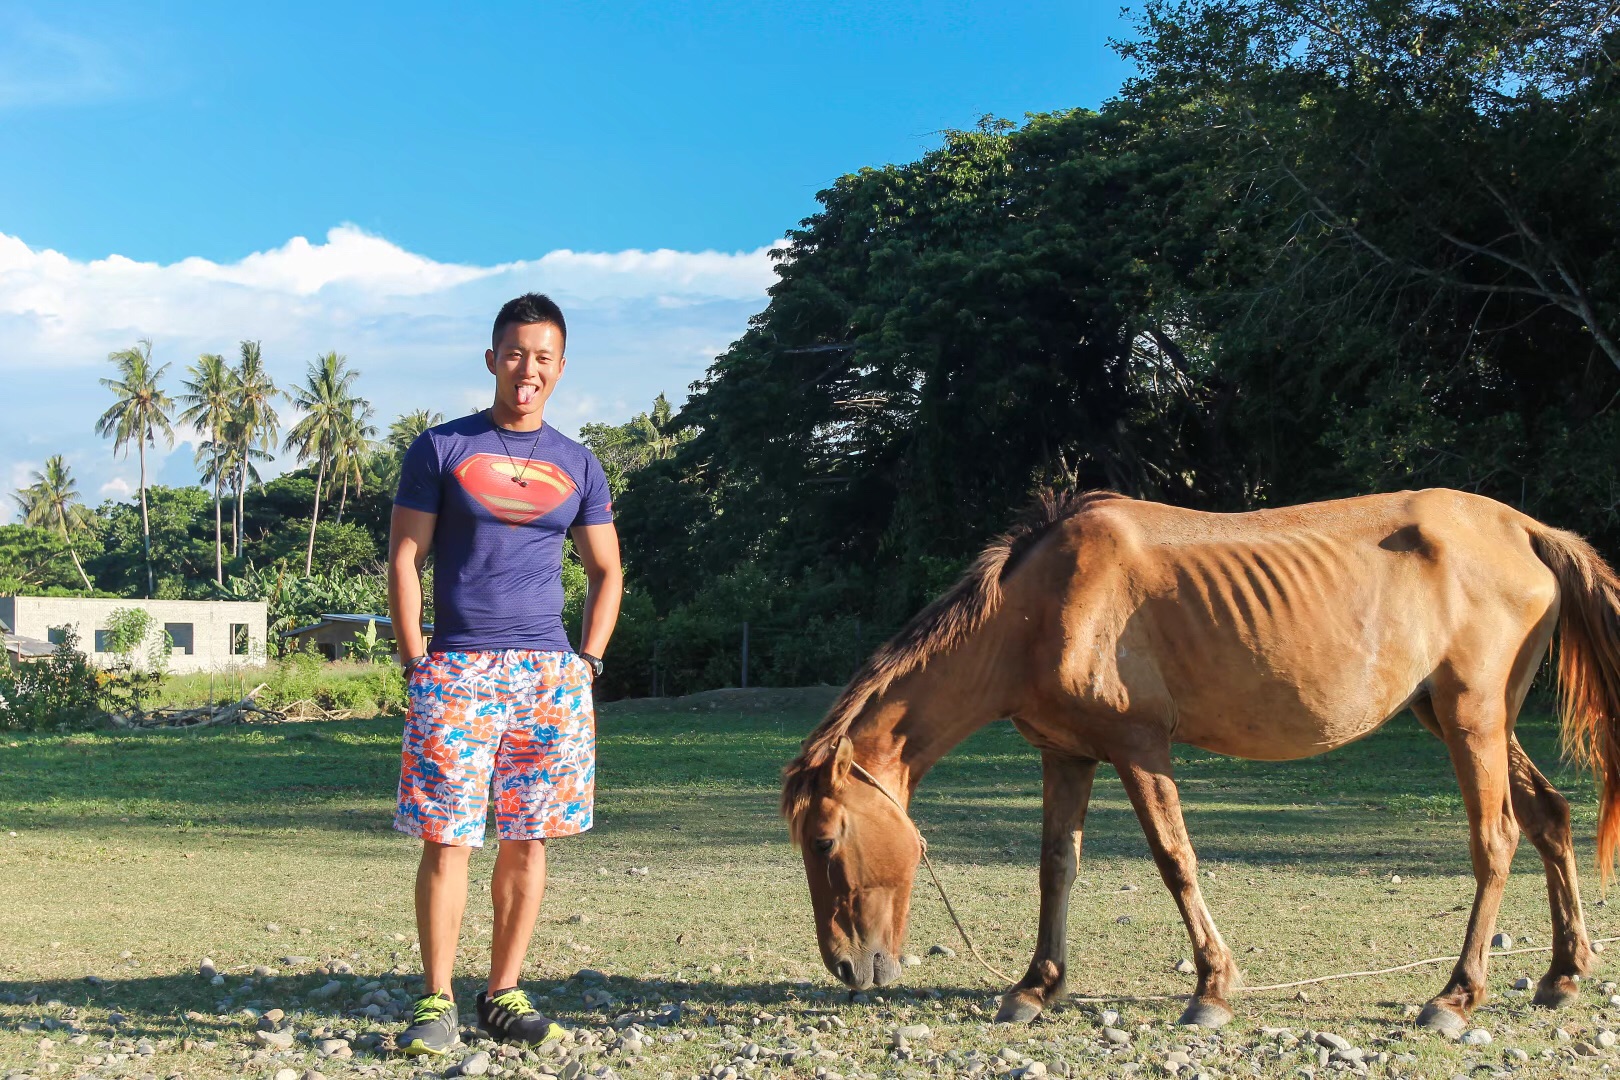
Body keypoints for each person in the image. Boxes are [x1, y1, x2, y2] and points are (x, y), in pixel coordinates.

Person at [387, 293, 623, 1056]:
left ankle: (504, 992)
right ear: (493, 359)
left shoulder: (579, 463)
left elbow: (607, 569)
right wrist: (415, 659)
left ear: (560, 367)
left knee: (530, 839)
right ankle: (435, 999)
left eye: (543, 357)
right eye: (515, 354)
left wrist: (587, 660)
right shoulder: (441, 449)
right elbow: (404, 558)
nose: (528, 370)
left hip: (550, 675)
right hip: (457, 667)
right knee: (447, 839)